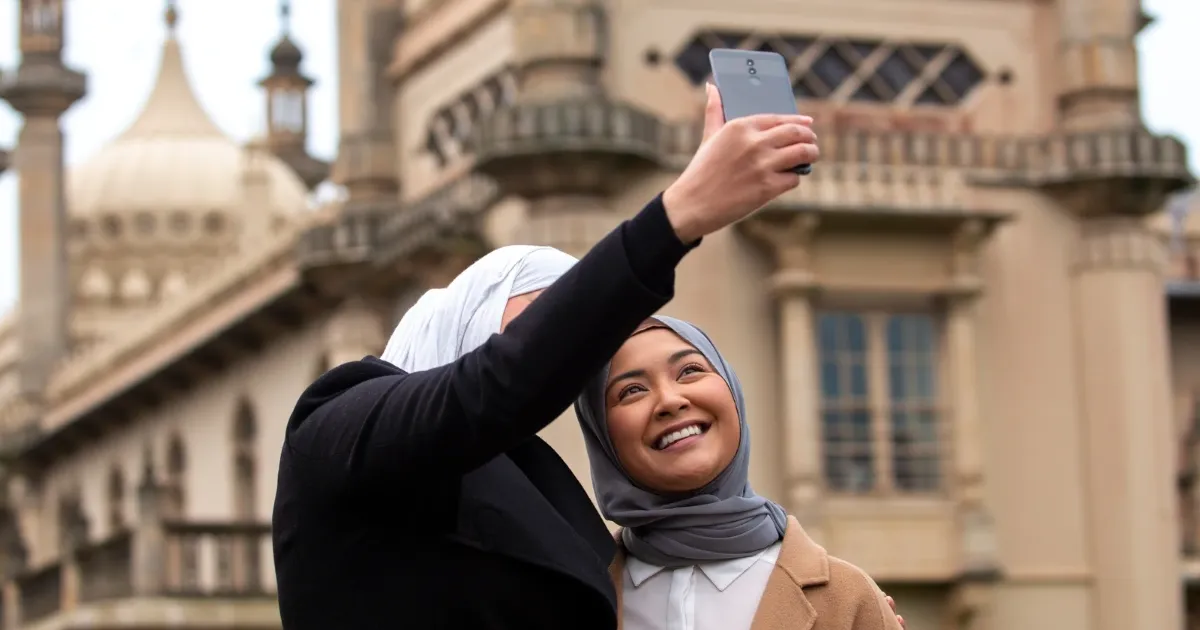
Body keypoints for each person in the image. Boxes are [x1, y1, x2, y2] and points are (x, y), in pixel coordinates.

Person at [272, 82, 820, 630]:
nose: (570, 354)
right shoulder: (340, 427)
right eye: (545, 322)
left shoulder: (543, 492)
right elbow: (497, 383)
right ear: (474, 316)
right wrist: (679, 216)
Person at [574, 316, 906, 630]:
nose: (670, 400)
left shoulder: (847, 598)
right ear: (601, 435)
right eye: (632, 390)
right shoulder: (569, 599)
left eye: (690, 370)